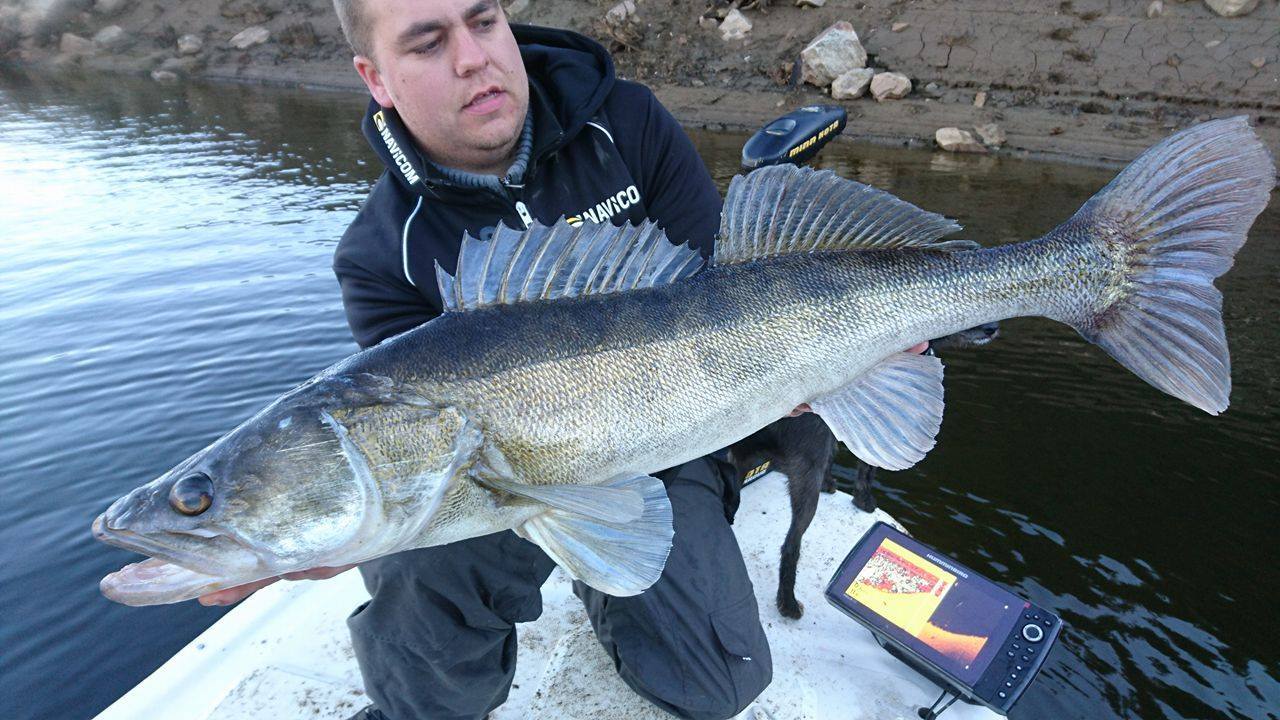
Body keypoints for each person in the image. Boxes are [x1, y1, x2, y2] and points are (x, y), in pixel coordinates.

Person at [202, 2, 771, 718]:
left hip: (667, 435)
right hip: (496, 472)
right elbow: (413, 449)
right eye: (427, 44)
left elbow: (724, 288)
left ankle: (605, 581)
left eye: (483, 22)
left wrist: (803, 378)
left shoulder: (626, 123)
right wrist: (343, 532)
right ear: (376, 79)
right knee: (417, 569)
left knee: (718, 685)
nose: (473, 58)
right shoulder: (380, 254)